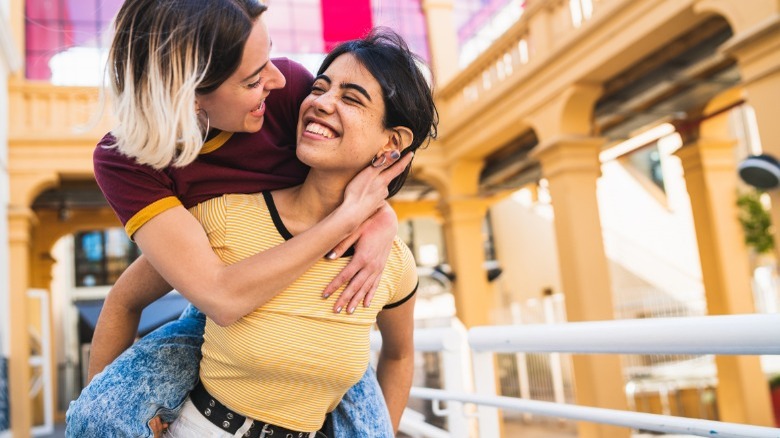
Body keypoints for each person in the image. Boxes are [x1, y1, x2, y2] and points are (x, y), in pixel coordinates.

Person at [64, 1, 421, 437]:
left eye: (268, 55)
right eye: (253, 79)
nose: (277, 78)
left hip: (322, 326)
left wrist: (380, 214)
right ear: (189, 94)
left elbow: (356, 152)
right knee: (97, 416)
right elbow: (216, 296)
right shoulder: (128, 162)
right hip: (220, 303)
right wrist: (347, 219)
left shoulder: (288, 94)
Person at [164, 27, 437, 436]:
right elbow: (126, 300)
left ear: (392, 142)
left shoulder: (393, 263)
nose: (320, 102)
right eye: (319, 88)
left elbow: (399, 357)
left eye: (350, 98)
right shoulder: (223, 214)